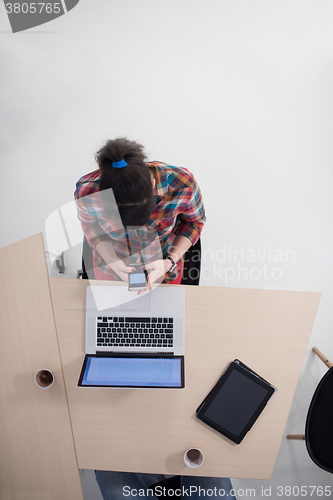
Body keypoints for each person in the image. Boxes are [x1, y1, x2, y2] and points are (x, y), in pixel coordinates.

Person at [75, 137, 206, 285]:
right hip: (110, 271)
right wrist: (112, 261)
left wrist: (169, 262)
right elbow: (90, 226)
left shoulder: (182, 184)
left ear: (152, 184)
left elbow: (194, 223)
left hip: (164, 272)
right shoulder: (87, 192)